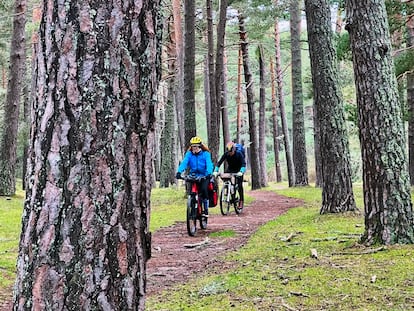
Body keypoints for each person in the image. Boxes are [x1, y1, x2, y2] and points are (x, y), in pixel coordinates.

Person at [176, 136, 214, 217]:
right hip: (193, 175)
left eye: (196, 146)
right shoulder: (189, 154)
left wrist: (208, 173)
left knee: (204, 190)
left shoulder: (205, 154)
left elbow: (209, 164)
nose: (194, 148)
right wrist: (179, 172)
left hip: (204, 175)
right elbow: (184, 163)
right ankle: (192, 204)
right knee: (191, 191)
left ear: (200, 146)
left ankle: (205, 209)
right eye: (193, 146)